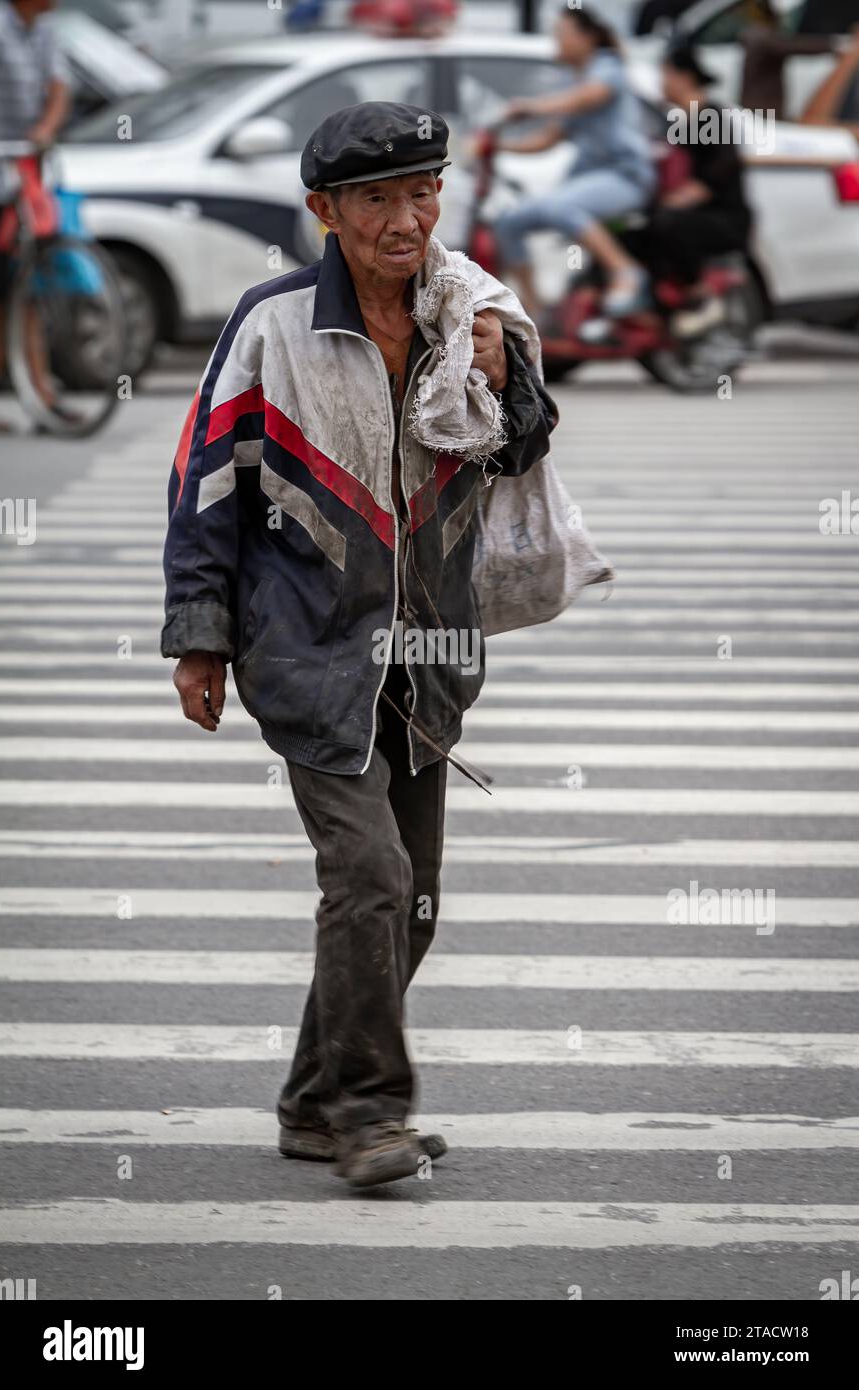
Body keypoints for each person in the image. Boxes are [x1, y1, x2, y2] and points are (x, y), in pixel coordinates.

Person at [160, 102, 558, 1189]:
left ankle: (307, 1102)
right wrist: (198, 641)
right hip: (306, 647)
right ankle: (370, 1116)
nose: (405, 217)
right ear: (322, 212)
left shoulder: (468, 306)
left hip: (425, 653)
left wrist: (500, 372)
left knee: (408, 900)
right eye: (375, 198)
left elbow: (521, 446)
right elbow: (206, 488)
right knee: (372, 880)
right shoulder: (271, 324)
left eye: (421, 191)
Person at [491, 2, 656, 321]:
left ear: (587, 37)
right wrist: (500, 146)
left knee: (559, 207)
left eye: (562, 34)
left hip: (624, 176)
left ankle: (627, 272)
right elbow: (549, 138)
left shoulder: (606, 66)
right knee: (509, 223)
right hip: (586, 179)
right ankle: (534, 310)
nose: (557, 42)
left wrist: (532, 107)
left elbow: (590, 97)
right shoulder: (571, 82)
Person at [623, 44, 753, 337]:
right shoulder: (682, 122)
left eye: (665, 74)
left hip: (723, 219)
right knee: (634, 233)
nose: (661, 82)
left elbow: (722, 168)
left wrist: (682, 198)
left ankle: (701, 295)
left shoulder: (710, 116)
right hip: (693, 215)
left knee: (667, 222)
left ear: (684, 77)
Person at [0, 0, 70, 430]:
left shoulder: (43, 31)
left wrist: (44, 129)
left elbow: (59, 86)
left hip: (22, 177)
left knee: (29, 287)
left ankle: (40, 391)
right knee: (0, 292)